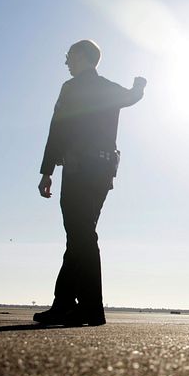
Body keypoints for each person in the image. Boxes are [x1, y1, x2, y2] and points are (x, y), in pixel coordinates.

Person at [34, 39, 146, 326]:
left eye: (69, 56)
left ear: (82, 57)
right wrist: (139, 86)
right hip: (103, 171)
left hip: (79, 170)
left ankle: (90, 308)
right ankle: (64, 304)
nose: (66, 62)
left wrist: (47, 171)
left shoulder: (70, 89)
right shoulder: (108, 87)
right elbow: (131, 98)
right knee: (80, 235)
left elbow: (57, 128)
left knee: (80, 234)